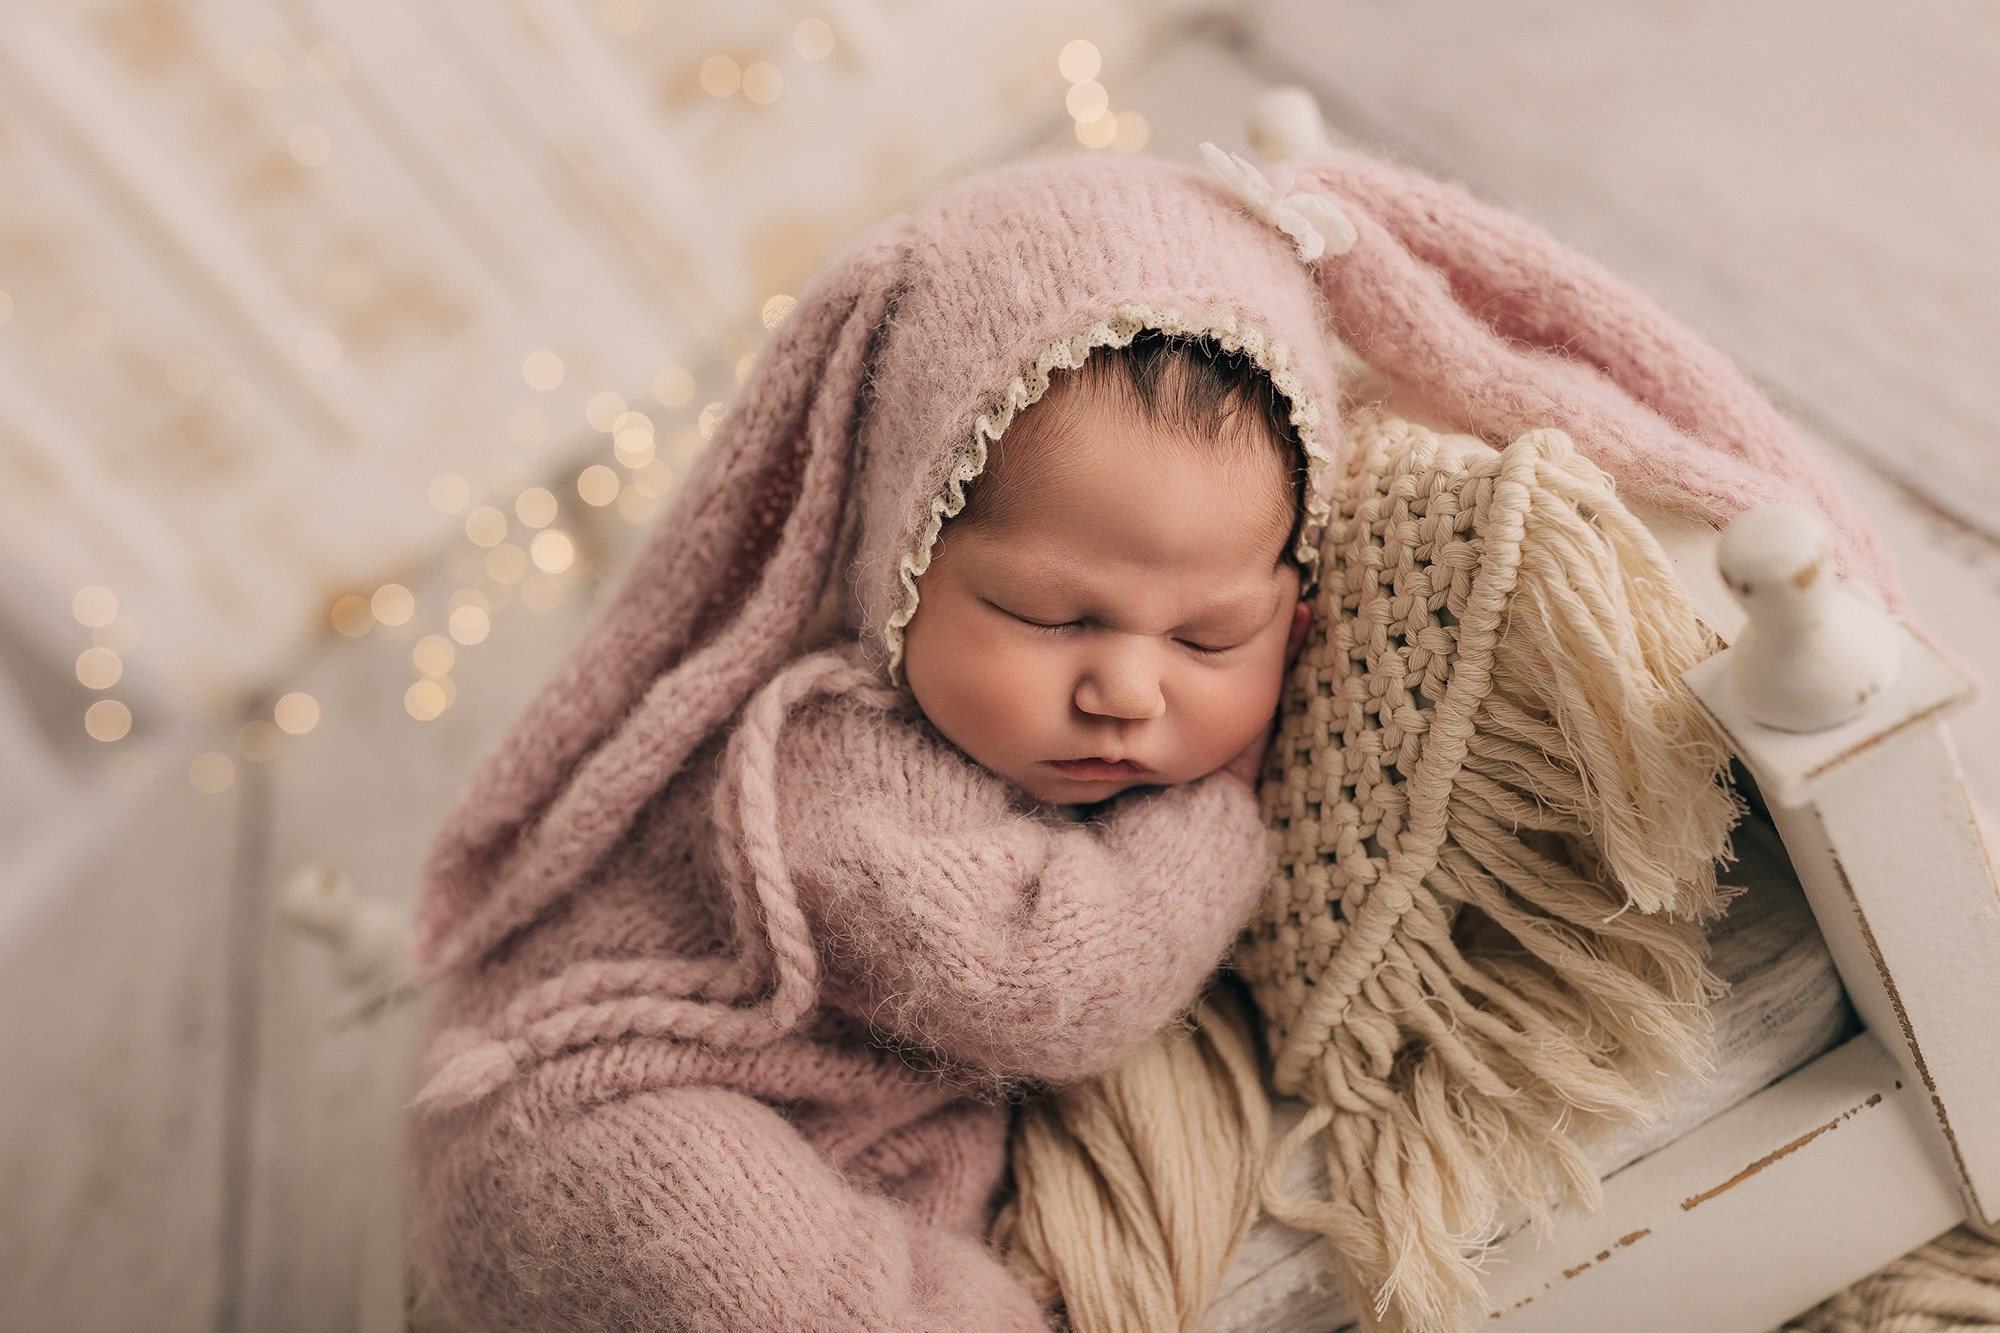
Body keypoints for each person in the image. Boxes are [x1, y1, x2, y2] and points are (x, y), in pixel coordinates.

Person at [404, 143, 1893, 1333]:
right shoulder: (845, 760)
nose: (1126, 688)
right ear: (901, 565)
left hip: (813, 1133)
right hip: (590, 1113)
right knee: (732, 1259)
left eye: (1208, 639)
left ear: (1294, 613)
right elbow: (1044, 986)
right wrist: (1213, 815)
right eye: (1050, 616)